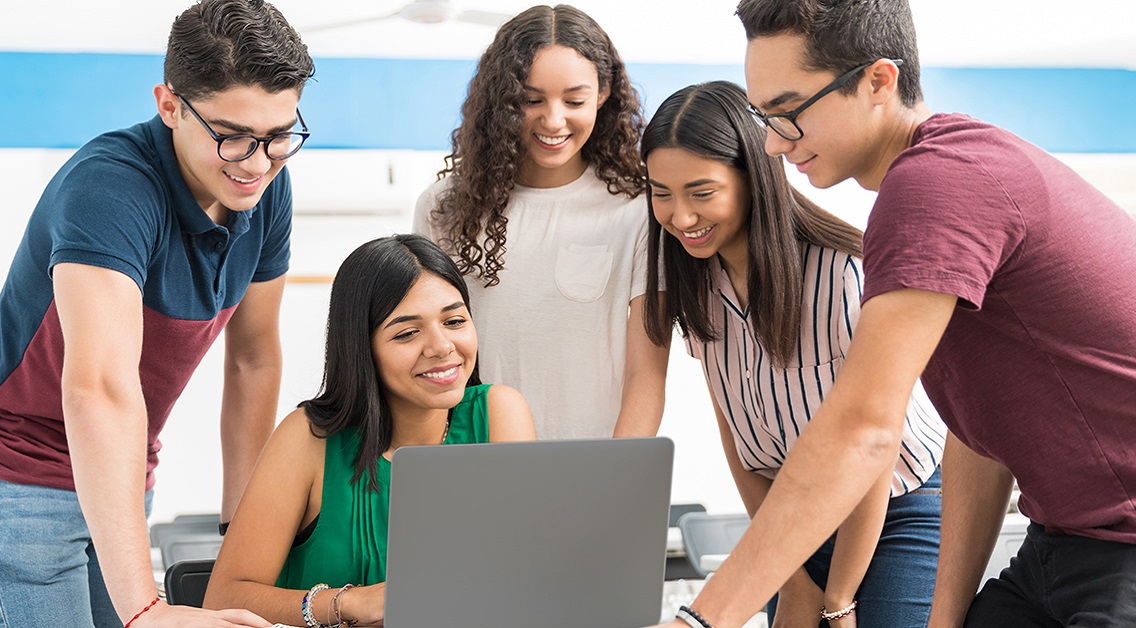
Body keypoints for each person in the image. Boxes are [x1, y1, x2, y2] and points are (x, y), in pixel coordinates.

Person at [652, 1, 1136, 627]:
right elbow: (977, 434)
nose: (773, 143)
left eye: (790, 113)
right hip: (1060, 542)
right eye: (764, 116)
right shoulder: (944, 183)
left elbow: (862, 431)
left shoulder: (936, 183)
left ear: (878, 81)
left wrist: (700, 621)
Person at [0, 1, 314, 626]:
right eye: (231, 136)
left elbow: (252, 358)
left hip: (122, 475)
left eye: (279, 135)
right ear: (170, 105)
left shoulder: (267, 187)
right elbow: (100, 388)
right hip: (11, 478)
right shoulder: (110, 188)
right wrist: (144, 608)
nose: (256, 163)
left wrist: (240, 532)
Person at [643, 80, 945, 628]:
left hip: (896, 507)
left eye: (702, 192)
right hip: (796, 520)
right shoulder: (696, 288)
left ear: (753, 179)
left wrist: (840, 598)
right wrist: (792, 579)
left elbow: (873, 445)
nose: (681, 216)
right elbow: (740, 440)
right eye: (661, 193)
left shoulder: (840, 275)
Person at [202, 234, 536, 626]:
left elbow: (525, 580)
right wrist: (349, 604)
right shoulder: (308, 438)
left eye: (455, 321)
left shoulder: (499, 413)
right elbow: (223, 600)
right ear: (362, 347)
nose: (442, 346)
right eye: (407, 333)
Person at [412, 4, 669, 440]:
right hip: (469, 458)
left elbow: (646, 376)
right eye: (531, 100)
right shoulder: (443, 207)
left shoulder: (637, 210)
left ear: (604, 93)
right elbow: (425, 356)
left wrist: (619, 480)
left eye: (574, 100)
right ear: (504, 100)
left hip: (591, 468)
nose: (553, 119)